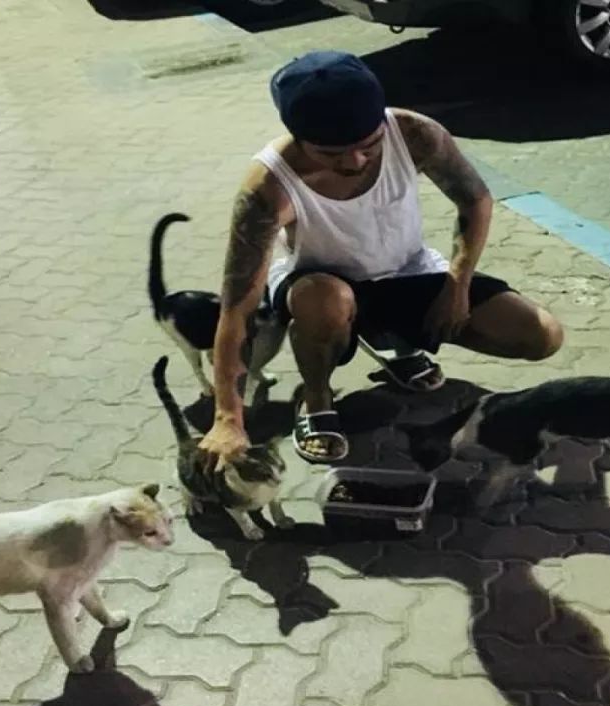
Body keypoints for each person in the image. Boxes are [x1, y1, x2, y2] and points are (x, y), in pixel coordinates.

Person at [198, 49, 563, 468]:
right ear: (299, 138)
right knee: (325, 301)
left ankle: (398, 343)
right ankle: (315, 398)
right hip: (319, 286)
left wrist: (457, 284)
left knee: (541, 336)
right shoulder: (269, 185)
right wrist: (228, 417)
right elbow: (238, 305)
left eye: (368, 146)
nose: (354, 162)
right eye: (332, 154)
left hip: (406, 270)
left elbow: (475, 200)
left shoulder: (414, 133)